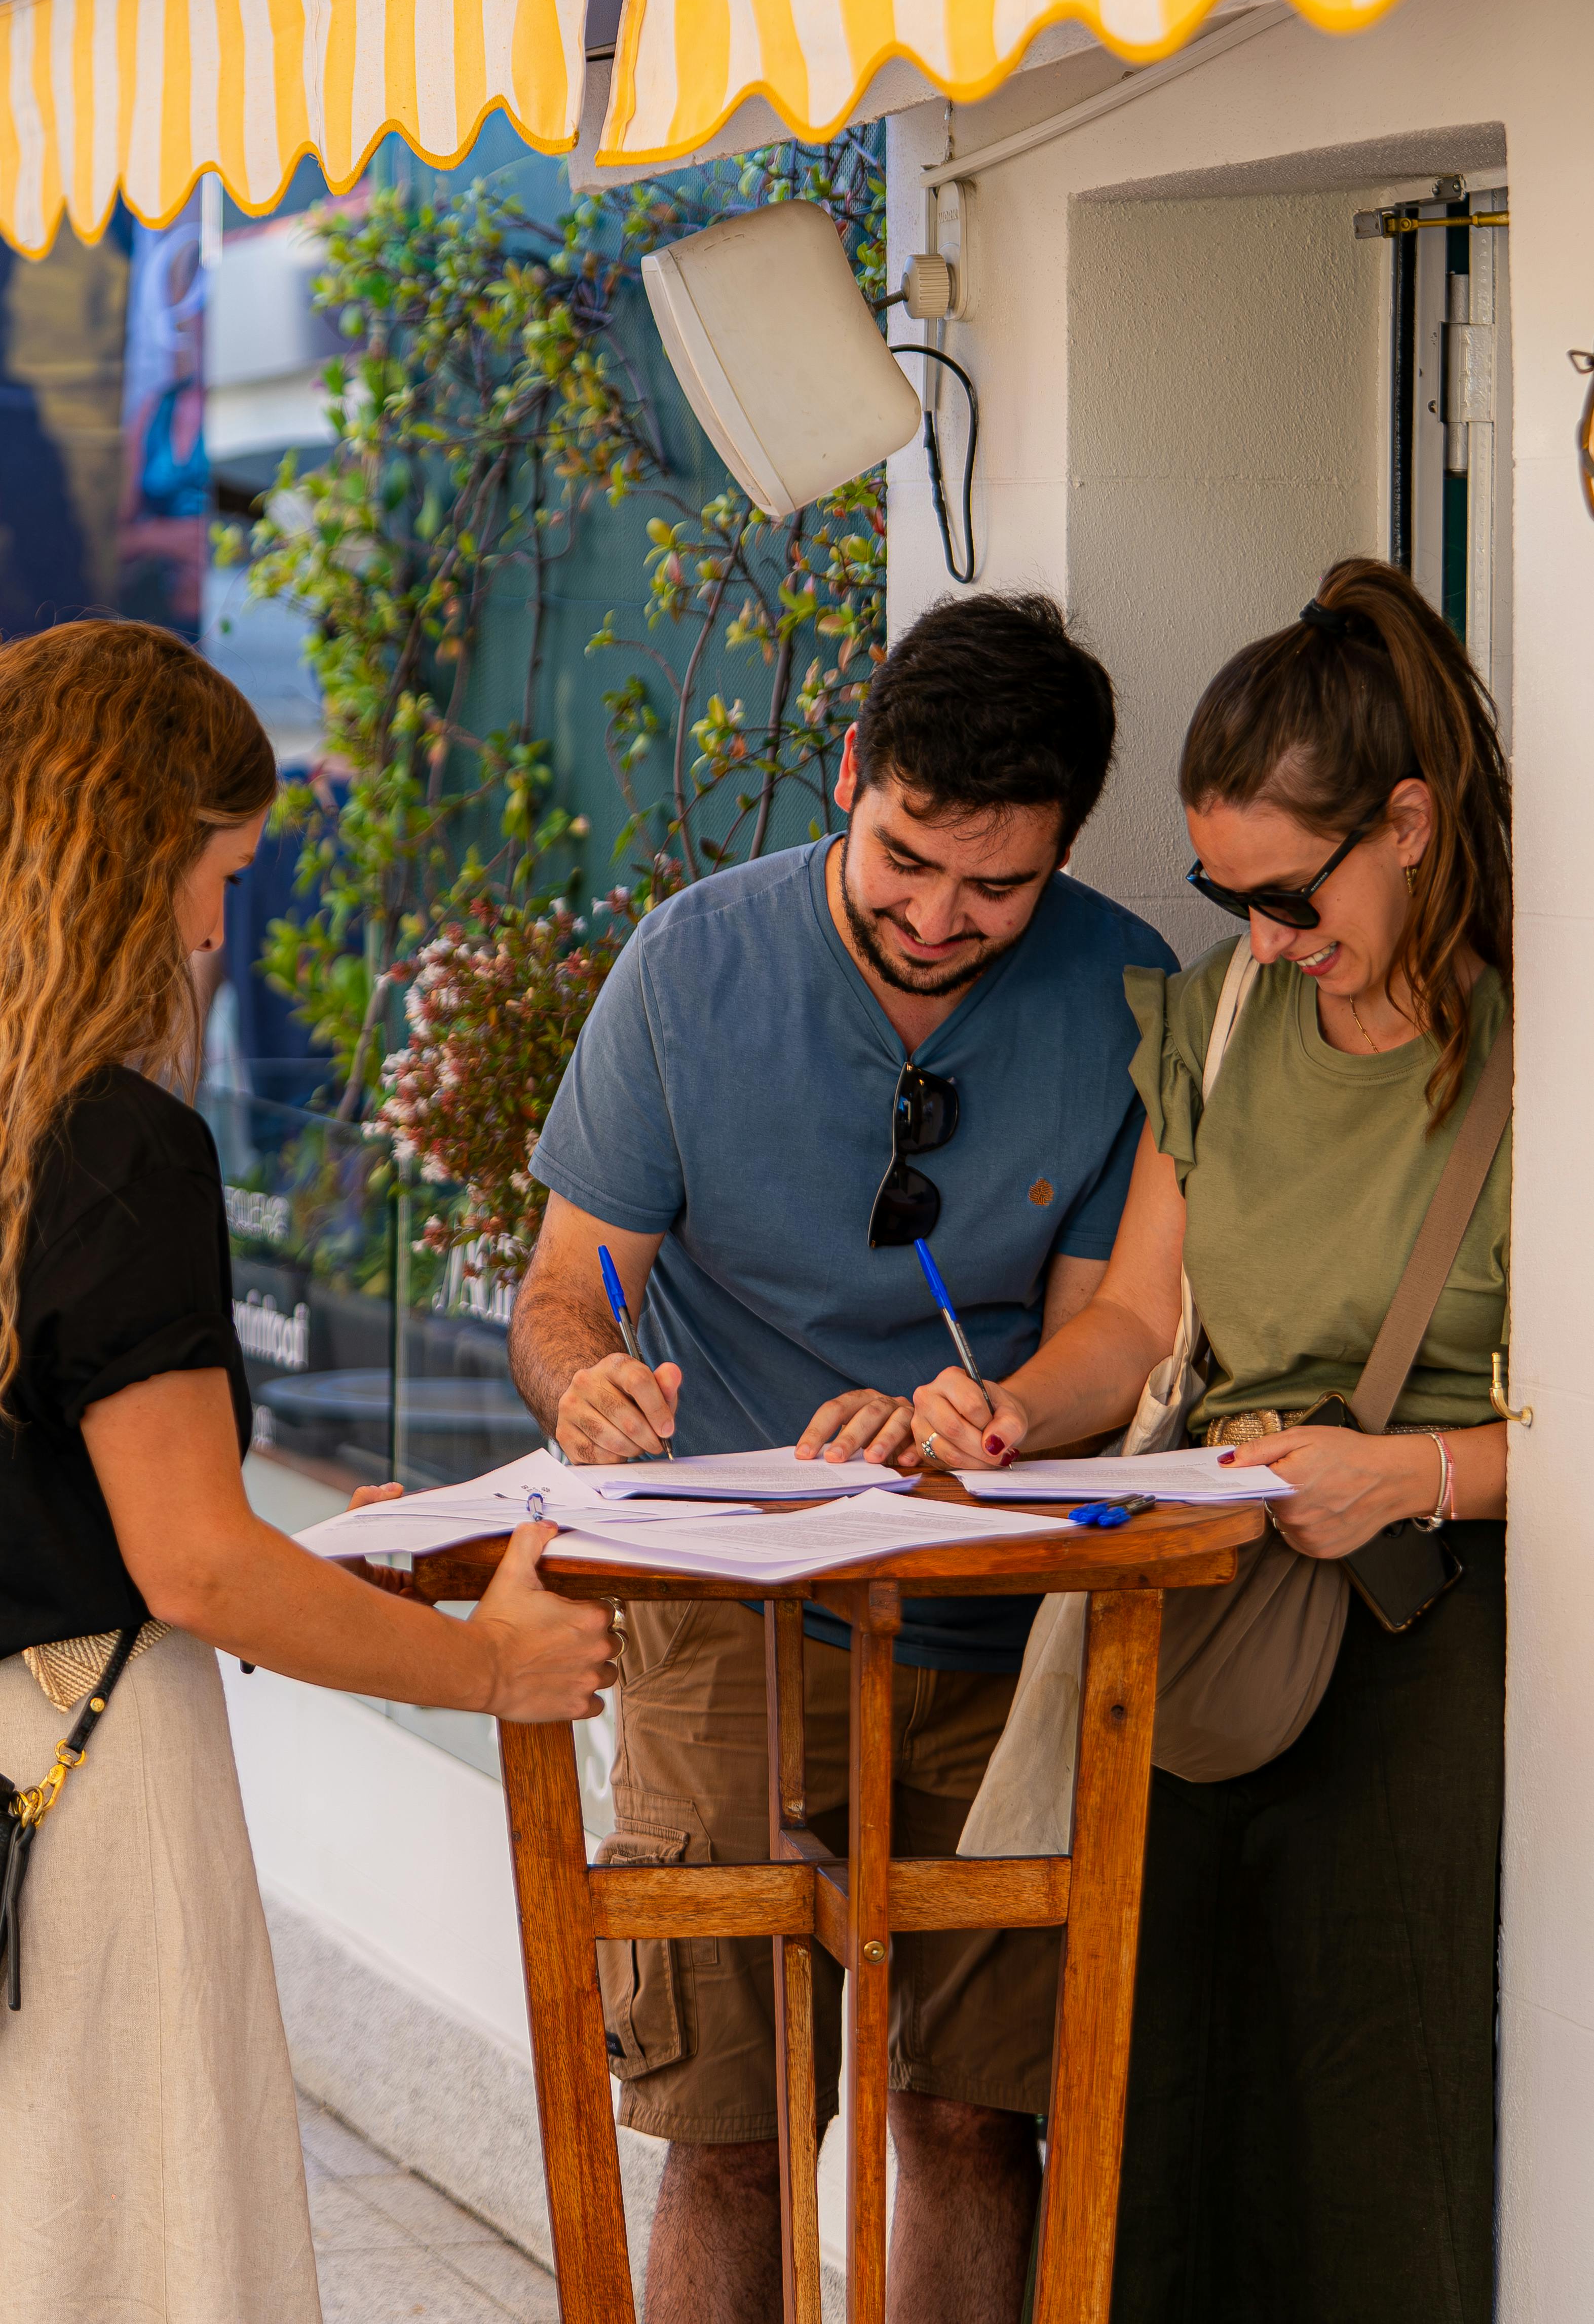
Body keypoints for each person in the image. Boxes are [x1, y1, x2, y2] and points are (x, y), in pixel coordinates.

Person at [510, 590, 1177, 2324]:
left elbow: (1119, 1332)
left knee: (971, 2116)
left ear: (1062, 853)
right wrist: (586, 1388)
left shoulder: (1123, 989)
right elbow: (565, 1297)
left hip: (997, 1619)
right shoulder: (688, 962)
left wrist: (1006, 1406)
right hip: (721, 1623)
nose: (941, 920)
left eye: (995, 886)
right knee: (726, 2128)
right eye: (906, 860)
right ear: (854, 770)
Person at [0, 620, 619, 2324]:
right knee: (113, 2244)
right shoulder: (114, 1144)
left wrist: (302, 1581)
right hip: (74, 1783)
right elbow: (193, 1562)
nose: (217, 927)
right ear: (127, 855)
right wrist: (488, 1666)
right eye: (219, 869)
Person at [914, 559, 1510, 2324]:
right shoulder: (1232, 1014)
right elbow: (1137, 1329)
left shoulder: (1530, 1059)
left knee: (1371, 2131)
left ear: (1408, 824)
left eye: (1288, 892)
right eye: (1222, 893)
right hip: (1205, 1612)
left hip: (1430, 1628)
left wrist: (1414, 1473)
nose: (1259, 933)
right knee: (1154, 2115)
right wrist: (1017, 1412)